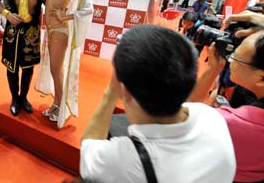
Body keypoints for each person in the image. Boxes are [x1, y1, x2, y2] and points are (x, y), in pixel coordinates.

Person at [80, 25, 236, 183]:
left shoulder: (120, 161)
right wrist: (211, 71)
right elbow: (190, 105)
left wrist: (110, 94)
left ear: (124, 90)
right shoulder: (213, 120)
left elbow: (89, 151)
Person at [189, 11, 264, 182]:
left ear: (261, 77)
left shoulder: (235, 123)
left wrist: (212, 70)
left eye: (234, 57)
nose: (230, 61)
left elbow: (184, 117)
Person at [34, 0, 93, 129]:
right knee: (54, 68)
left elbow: (88, 7)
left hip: (61, 30)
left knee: (56, 69)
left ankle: (59, 106)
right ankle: (56, 103)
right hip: (49, 29)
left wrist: (66, 16)